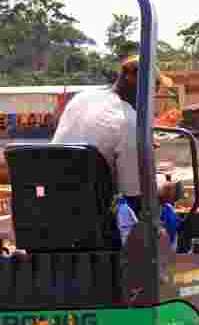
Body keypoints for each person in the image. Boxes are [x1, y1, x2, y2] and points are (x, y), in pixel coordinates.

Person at [52, 54, 174, 216]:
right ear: (133, 79)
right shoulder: (129, 122)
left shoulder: (81, 98)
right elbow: (134, 197)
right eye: (155, 87)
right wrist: (162, 190)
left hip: (55, 202)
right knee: (166, 211)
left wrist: (136, 146)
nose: (154, 95)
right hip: (96, 215)